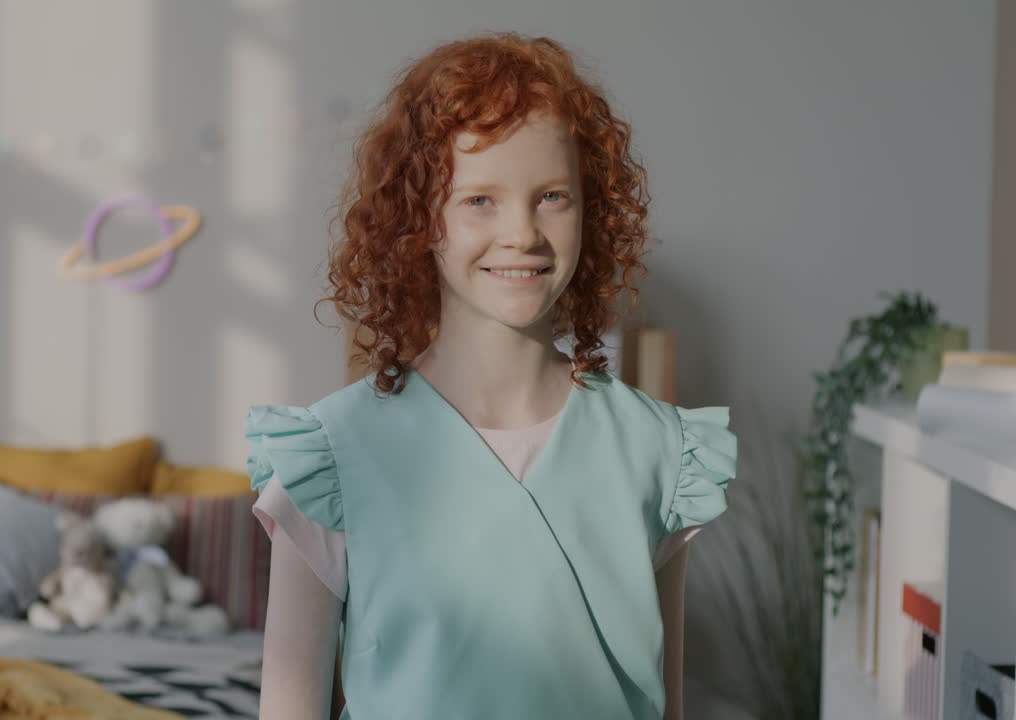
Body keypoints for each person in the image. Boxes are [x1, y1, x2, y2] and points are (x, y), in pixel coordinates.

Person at [245, 31, 738, 720]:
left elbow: (667, 706)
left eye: (553, 196)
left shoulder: (661, 452)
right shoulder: (328, 457)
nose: (522, 233)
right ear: (420, 219)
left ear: (591, 208)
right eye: (480, 200)